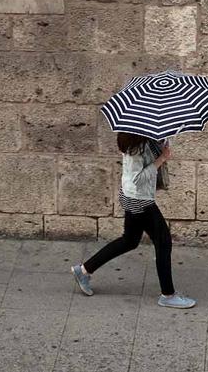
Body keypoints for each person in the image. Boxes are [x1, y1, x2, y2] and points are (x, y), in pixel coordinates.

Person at [70, 132, 196, 309]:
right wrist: (161, 159)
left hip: (131, 196)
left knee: (129, 240)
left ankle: (83, 270)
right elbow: (138, 178)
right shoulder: (137, 146)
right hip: (139, 199)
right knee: (163, 242)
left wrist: (163, 144)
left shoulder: (139, 137)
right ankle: (168, 295)